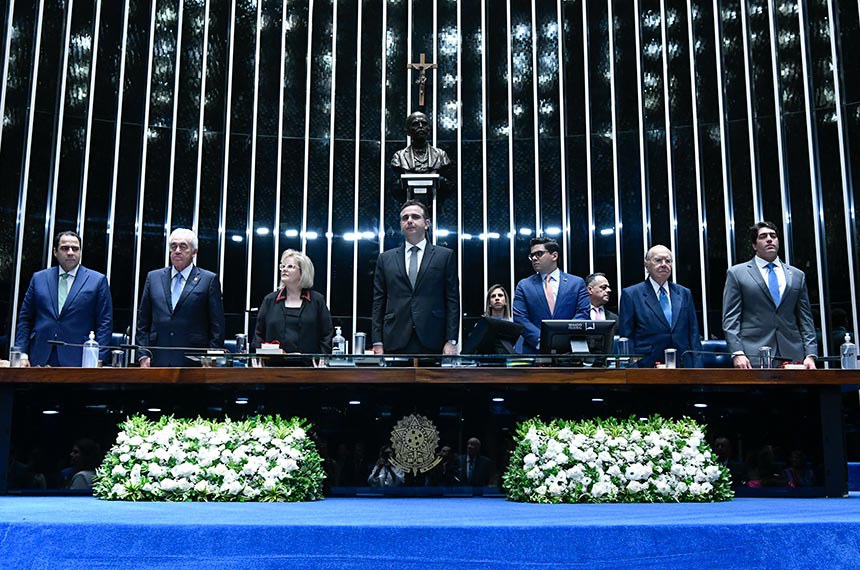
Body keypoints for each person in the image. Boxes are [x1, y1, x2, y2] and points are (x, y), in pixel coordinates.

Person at [722, 221, 817, 369]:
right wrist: (737, 353)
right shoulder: (737, 273)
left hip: (793, 353)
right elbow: (731, 318)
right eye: (763, 236)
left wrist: (810, 354)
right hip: (753, 354)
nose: (769, 239)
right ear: (754, 245)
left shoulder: (797, 275)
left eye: (773, 236)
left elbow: (806, 319)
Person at [372, 200, 460, 355]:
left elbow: (452, 300)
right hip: (395, 337)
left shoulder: (444, 256)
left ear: (427, 224)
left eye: (415, 217)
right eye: (405, 218)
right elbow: (378, 301)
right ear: (401, 225)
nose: (409, 221)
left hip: (434, 337)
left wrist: (451, 340)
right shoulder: (385, 259)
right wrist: (377, 341)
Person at [15, 231, 113, 366]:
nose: (70, 252)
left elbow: (104, 323)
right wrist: (21, 354)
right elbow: (25, 319)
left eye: (75, 249)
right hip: (40, 355)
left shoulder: (97, 281)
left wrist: (99, 359)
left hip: (79, 357)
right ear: (55, 252)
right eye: (65, 248)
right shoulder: (39, 278)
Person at [137, 228, 225, 367]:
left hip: (194, 360)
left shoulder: (208, 280)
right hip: (157, 358)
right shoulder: (153, 277)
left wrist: (212, 357)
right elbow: (143, 321)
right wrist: (143, 355)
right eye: (173, 246)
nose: (177, 250)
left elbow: (217, 325)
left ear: (194, 252)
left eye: (183, 246)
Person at [617, 245, 702, 368]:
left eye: (668, 261)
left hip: (683, 364)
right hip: (647, 365)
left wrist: (698, 369)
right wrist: (632, 370)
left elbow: (694, 334)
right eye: (658, 260)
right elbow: (627, 337)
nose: (664, 264)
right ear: (646, 265)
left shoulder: (684, 293)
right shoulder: (631, 294)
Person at [512, 237, 590, 353]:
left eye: (539, 254)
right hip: (535, 351)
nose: (534, 258)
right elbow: (520, 318)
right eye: (532, 255)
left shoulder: (576, 283)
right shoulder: (524, 286)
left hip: (569, 351)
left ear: (554, 256)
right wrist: (543, 340)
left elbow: (583, 314)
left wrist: (562, 338)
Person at [253, 249, 333, 357]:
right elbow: (258, 334)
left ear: (303, 272)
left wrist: (322, 359)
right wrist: (258, 359)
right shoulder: (269, 300)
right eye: (283, 266)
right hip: (273, 364)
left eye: (290, 266)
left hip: (309, 365)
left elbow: (326, 335)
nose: (284, 269)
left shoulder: (317, 300)